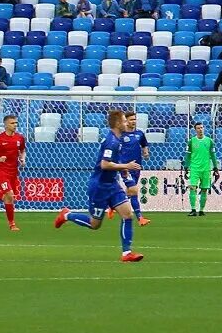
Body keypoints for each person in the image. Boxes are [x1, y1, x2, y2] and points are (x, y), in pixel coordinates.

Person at [53, 110, 145, 263]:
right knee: (95, 224)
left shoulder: (119, 140)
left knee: (128, 215)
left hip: (112, 185)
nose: (127, 123)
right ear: (117, 123)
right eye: (124, 121)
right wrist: (127, 165)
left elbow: (119, 164)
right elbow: (105, 164)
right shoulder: (111, 142)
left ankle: (126, 253)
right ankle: (66, 215)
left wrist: (129, 182)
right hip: (99, 187)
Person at [0, 113, 26, 231]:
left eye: (16, 123)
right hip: (2, 171)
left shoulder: (20, 138)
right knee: (9, 195)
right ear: (6, 125)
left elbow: (22, 151)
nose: (15, 125)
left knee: (9, 198)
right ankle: (12, 224)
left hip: (14, 171)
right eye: (12, 123)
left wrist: (22, 159)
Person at [119, 110, 152, 227]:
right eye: (131, 119)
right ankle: (140, 218)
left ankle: (113, 205)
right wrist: (122, 165)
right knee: (133, 191)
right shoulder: (121, 135)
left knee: (130, 191)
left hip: (137, 167)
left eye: (135, 119)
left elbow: (144, 144)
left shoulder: (140, 133)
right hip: (125, 168)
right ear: (126, 121)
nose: (134, 121)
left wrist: (146, 152)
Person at [184, 120, 218, 216]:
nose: (200, 130)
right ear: (195, 130)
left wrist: (215, 167)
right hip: (194, 168)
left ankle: (201, 210)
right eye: (198, 128)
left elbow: (213, 155)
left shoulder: (210, 141)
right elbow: (188, 155)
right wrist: (186, 167)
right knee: (192, 188)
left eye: (202, 128)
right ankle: (193, 209)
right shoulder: (191, 141)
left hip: (206, 169)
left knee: (204, 189)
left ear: (204, 129)